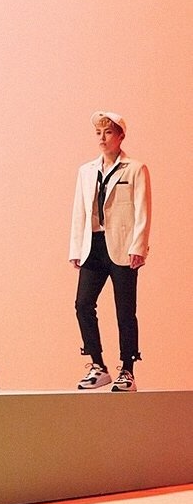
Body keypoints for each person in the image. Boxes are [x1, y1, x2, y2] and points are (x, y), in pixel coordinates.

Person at [69, 110, 150, 392]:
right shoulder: (86, 171)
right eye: (98, 133)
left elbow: (143, 210)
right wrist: (76, 247)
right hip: (94, 245)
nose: (102, 138)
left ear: (120, 136)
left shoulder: (135, 168)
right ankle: (97, 365)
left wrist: (139, 246)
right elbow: (79, 211)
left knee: (125, 310)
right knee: (83, 304)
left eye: (108, 133)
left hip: (123, 246)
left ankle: (127, 369)